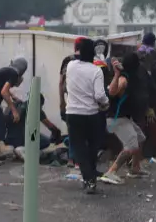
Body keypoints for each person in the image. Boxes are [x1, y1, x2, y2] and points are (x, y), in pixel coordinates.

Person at [64, 38, 109, 193]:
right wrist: (106, 103)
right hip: (91, 114)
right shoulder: (96, 71)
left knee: (79, 148)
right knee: (92, 147)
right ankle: (91, 177)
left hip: (73, 114)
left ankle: (89, 179)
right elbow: (100, 95)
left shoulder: (71, 66)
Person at [101, 53, 149, 184]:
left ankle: (135, 168)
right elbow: (112, 92)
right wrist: (117, 74)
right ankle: (111, 172)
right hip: (117, 119)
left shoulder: (131, 77)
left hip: (124, 118)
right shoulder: (124, 78)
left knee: (140, 138)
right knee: (131, 146)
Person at [4, 93, 63, 161]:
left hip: (8, 139)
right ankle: (23, 149)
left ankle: (18, 149)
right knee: (45, 141)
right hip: (22, 139)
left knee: (33, 131)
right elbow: (50, 126)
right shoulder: (35, 108)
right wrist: (57, 132)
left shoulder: (18, 105)